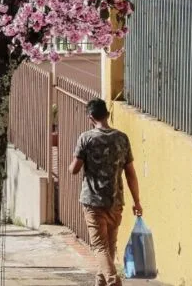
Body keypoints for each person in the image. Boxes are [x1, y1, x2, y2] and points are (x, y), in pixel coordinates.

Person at [69, 98, 142, 286]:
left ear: (90, 117)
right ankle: (100, 283)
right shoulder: (122, 138)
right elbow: (131, 173)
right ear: (107, 114)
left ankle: (113, 282)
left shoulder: (86, 138)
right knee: (108, 248)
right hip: (116, 202)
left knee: (100, 247)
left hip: (93, 202)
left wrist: (72, 165)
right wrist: (137, 201)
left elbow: (75, 169)